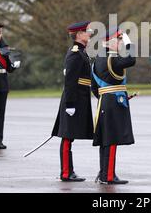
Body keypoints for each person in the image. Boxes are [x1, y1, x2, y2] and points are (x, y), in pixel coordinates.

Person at [91, 28, 136, 184]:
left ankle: (104, 173)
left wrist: (108, 96)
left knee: (105, 140)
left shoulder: (98, 59)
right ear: (106, 42)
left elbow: (94, 87)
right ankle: (108, 176)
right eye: (117, 40)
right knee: (111, 139)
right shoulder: (111, 58)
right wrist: (130, 43)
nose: (120, 43)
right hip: (112, 103)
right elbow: (131, 60)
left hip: (104, 101)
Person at [52, 21, 94, 182]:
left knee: (70, 137)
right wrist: (69, 104)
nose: (89, 34)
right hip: (74, 100)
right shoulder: (75, 53)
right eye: (86, 31)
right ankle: (65, 172)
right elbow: (70, 81)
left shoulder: (81, 52)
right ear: (79, 35)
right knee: (67, 136)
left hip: (80, 98)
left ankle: (69, 170)